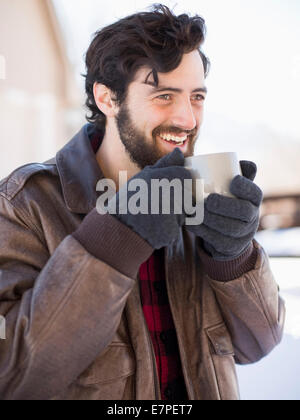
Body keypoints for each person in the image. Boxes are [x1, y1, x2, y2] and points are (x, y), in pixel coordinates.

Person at [0, 4, 285, 400]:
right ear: (107, 99)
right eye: (165, 96)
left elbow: (259, 344)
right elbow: (12, 376)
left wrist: (234, 258)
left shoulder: (203, 194)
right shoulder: (26, 205)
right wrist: (113, 237)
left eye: (197, 96)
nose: (187, 119)